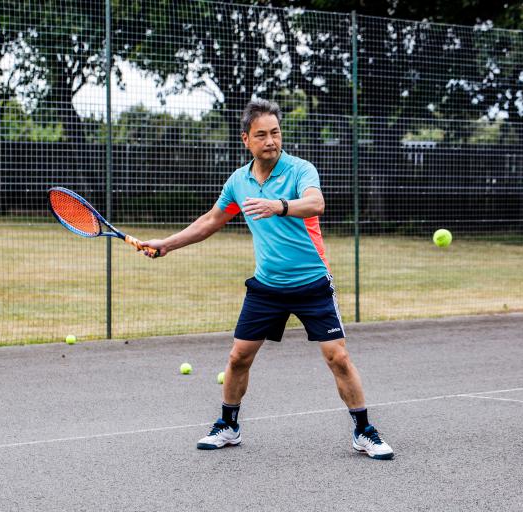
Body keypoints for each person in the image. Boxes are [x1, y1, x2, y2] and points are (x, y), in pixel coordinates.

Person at [132, 99, 393, 460]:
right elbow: (211, 221)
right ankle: (228, 426)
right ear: (246, 140)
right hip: (267, 287)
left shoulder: (300, 169)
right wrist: (167, 245)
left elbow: (316, 204)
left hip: (311, 283)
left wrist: (279, 205)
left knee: (338, 358)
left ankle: (364, 431)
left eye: (275, 132)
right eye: (262, 135)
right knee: (239, 357)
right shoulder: (238, 182)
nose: (271, 140)